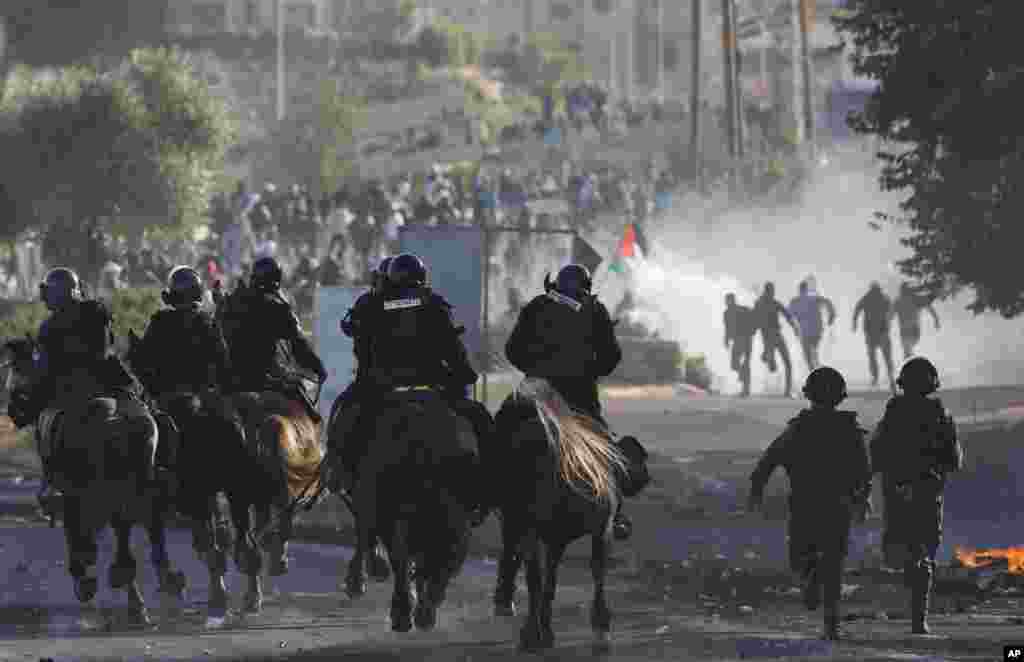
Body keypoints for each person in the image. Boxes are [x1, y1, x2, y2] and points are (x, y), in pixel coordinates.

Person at [7, 268, 157, 506]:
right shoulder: (98, 313)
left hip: (68, 391)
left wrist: (31, 396)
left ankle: (52, 483)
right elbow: (108, 353)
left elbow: (47, 370)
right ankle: (150, 474)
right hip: (109, 384)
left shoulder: (50, 326)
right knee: (146, 415)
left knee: (44, 423)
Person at [505, 264, 633, 540]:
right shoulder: (595, 309)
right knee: (605, 446)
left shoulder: (537, 306)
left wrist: (535, 369)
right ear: (586, 288)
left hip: (536, 390)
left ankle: (489, 494)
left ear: (555, 285)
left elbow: (512, 350)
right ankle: (617, 512)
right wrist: (588, 371)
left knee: (500, 431)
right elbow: (611, 357)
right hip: (579, 394)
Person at [747, 366, 872, 640]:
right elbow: (864, 471)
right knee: (835, 565)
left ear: (807, 394)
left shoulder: (798, 429)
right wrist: (864, 499)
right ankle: (831, 625)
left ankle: (812, 579)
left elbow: (768, 461)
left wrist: (756, 489)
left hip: (805, 505)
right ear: (841, 397)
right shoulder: (849, 430)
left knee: (800, 557)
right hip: (838, 507)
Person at [870, 356, 961, 635]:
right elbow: (955, 460)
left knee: (902, 550)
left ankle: (914, 590)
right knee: (925, 551)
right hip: (927, 491)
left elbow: (877, 452)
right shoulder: (941, 416)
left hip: (897, 490)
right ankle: (919, 619)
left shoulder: (892, 413)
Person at [224, 256, 327, 418]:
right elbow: (299, 348)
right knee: (309, 414)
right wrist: (318, 368)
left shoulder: (230, 303)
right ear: (277, 280)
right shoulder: (278, 309)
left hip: (230, 383)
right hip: (264, 381)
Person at [753, 282, 800, 398]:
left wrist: (794, 327)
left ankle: (787, 391)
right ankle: (767, 356)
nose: (773, 294)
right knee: (777, 365)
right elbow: (754, 319)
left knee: (787, 363)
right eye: (771, 291)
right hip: (769, 336)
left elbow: (786, 314)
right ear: (768, 291)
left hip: (774, 335)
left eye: (773, 292)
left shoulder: (770, 303)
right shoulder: (762, 303)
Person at [853, 281, 896, 391]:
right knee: (886, 356)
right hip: (881, 331)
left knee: (873, 356)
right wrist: (889, 320)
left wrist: (855, 323)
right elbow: (891, 311)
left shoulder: (867, 298)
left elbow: (857, 310)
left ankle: (876, 377)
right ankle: (889, 377)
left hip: (872, 332)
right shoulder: (883, 297)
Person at [788, 280, 837, 373]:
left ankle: (813, 369)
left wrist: (794, 328)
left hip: (806, 331)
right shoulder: (814, 298)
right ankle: (815, 366)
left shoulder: (795, 301)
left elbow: (789, 316)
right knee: (813, 349)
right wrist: (832, 315)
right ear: (806, 289)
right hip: (816, 330)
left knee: (807, 354)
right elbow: (828, 303)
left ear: (799, 290)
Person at [891, 282, 940, 361]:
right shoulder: (912, 299)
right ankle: (909, 357)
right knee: (908, 348)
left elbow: (890, 315)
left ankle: (909, 356)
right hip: (911, 329)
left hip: (908, 329)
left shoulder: (899, 300)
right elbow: (929, 307)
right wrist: (936, 319)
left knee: (908, 347)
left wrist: (936, 319)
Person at [723, 293, 756, 397]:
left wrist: (752, 332)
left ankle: (746, 390)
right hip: (738, 340)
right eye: (726, 301)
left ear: (733, 300)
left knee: (745, 363)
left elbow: (754, 319)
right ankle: (743, 378)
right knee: (734, 364)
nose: (727, 303)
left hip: (746, 338)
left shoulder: (743, 309)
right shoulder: (726, 313)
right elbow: (727, 328)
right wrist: (726, 339)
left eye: (729, 300)